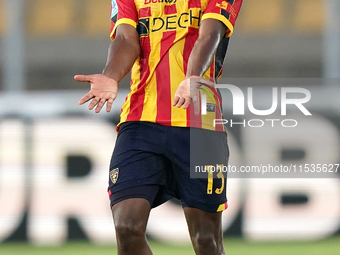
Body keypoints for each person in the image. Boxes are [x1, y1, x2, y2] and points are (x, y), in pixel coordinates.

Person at [74, 0, 242, 254]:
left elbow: (210, 34)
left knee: (206, 239)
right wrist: (110, 75)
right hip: (141, 122)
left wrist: (192, 76)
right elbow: (126, 39)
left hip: (201, 123)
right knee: (126, 227)